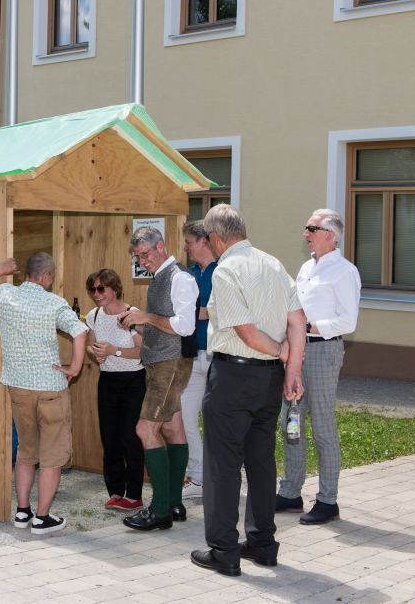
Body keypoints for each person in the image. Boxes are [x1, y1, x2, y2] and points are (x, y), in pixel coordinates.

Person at [190, 204, 306, 576]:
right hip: (269, 379)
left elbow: (246, 331)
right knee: (260, 460)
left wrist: (281, 352)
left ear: (215, 238)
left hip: (233, 376)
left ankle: (224, 550)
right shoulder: (274, 264)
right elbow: (298, 321)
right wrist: (292, 368)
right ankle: (262, 543)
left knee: (222, 464)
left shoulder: (226, 270)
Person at [0, 252, 88, 535]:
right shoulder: (54, 303)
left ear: (27, 273)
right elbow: (80, 331)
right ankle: (42, 518)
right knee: (52, 456)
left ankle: (22, 512)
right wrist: (74, 367)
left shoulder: (5, 295)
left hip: (19, 387)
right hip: (50, 388)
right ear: (46, 276)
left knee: (25, 451)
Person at [276, 209, 361, 525]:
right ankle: (290, 492)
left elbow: (348, 321)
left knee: (323, 426)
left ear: (330, 234)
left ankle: (327, 500)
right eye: (306, 228)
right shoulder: (306, 267)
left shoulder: (344, 271)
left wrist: (308, 327)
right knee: (291, 421)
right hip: (298, 351)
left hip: (323, 351)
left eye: (311, 228)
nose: (306, 234)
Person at [118, 227, 197, 531]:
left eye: (145, 254)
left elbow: (185, 326)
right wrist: (136, 322)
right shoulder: (161, 277)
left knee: (145, 429)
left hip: (170, 363)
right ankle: (174, 503)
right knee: (172, 427)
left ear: (161, 246)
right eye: (138, 257)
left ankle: (160, 509)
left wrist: (146, 317)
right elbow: (164, 324)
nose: (142, 261)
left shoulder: (180, 278)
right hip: (160, 362)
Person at [84, 268, 146, 512]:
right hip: (108, 380)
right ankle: (116, 491)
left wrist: (114, 351)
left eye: (101, 288)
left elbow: (143, 351)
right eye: (92, 289)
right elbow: (91, 345)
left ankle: (134, 494)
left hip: (133, 380)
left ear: (115, 288)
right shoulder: (94, 315)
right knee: (109, 437)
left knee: (130, 436)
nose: (96, 294)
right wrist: (96, 353)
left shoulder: (131, 314)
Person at [180, 220, 218, 501]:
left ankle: (220, 477)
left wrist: (206, 312)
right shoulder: (189, 275)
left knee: (217, 421)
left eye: (189, 242)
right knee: (186, 418)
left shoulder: (223, 271)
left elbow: (225, 311)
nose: (186, 247)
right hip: (193, 356)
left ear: (204, 241)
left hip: (219, 357)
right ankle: (198, 477)